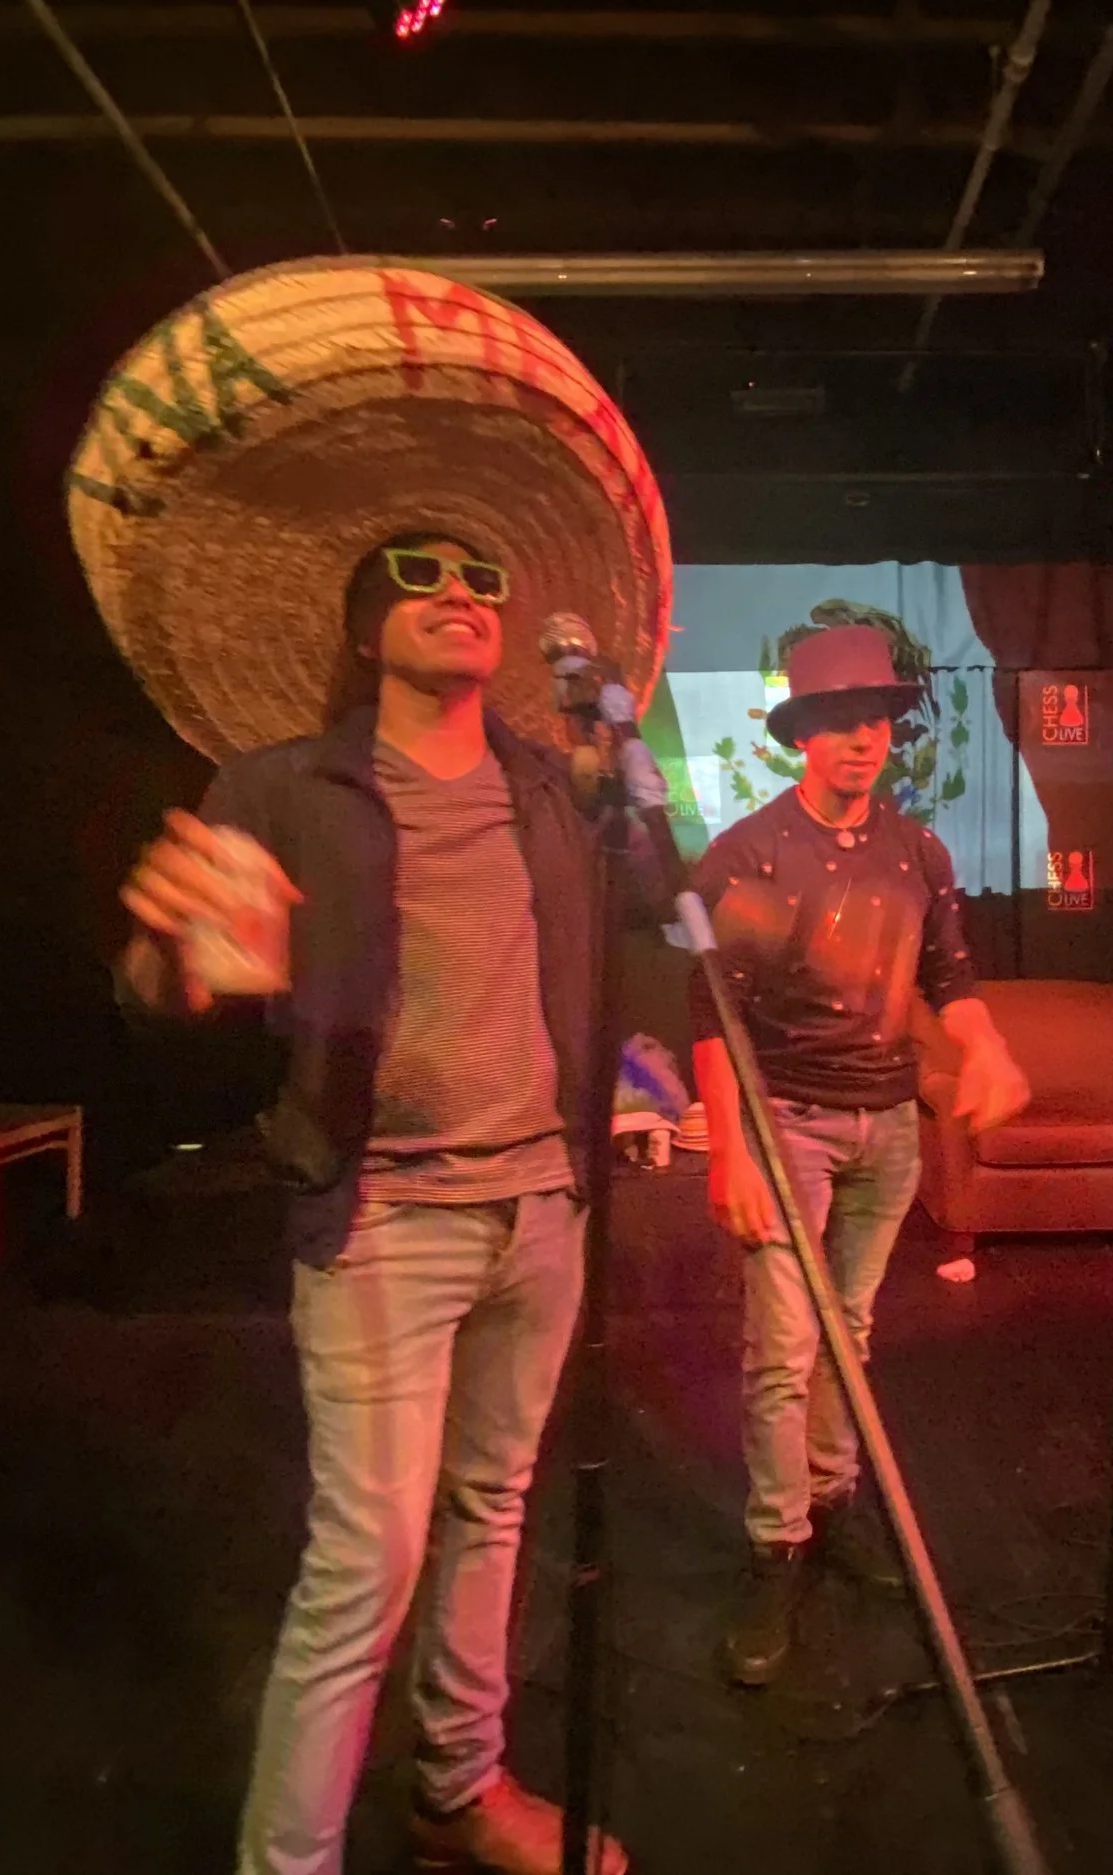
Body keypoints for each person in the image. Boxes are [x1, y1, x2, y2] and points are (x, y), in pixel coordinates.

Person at [119, 532, 635, 1875]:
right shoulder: (285, 784)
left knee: (493, 1504)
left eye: (479, 574)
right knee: (368, 1558)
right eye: (417, 572)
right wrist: (168, 946)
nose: (459, 588)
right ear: (363, 630)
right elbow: (167, 991)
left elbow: (631, 934)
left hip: (542, 1201)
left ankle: (457, 1787)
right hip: (383, 1216)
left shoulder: (554, 783)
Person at [685, 624, 1031, 1688]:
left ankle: (831, 1509)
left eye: (874, 719)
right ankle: (776, 1544)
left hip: (887, 1130)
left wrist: (987, 1049)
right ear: (801, 734)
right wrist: (728, 1154)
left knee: (850, 1335)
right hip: (788, 1121)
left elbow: (950, 978)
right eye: (837, 721)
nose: (860, 739)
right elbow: (711, 1014)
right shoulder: (747, 854)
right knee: (784, 1351)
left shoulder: (915, 851)